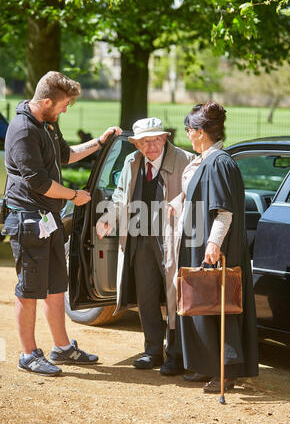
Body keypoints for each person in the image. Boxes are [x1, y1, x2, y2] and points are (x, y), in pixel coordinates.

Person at [2, 71, 122, 377]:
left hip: (48, 218)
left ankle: (62, 347)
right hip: (28, 219)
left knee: (56, 287)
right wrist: (75, 195)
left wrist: (99, 142)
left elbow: (65, 156)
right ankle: (28, 354)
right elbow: (40, 183)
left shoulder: (47, 122)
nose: (66, 109)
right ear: (46, 101)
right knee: (28, 290)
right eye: (64, 104)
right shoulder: (22, 130)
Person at [171, 102, 259, 392]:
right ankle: (206, 365)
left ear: (200, 132)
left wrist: (213, 243)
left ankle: (225, 371)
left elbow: (224, 211)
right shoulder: (207, 160)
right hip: (198, 244)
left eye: (188, 131)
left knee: (219, 305)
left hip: (215, 247)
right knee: (201, 305)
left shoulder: (219, 162)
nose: (187, 136)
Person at [96, 117, 195, 375]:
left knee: (175, 295)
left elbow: (194, 196)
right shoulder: (132, 161)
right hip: (139, 236)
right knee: (146, 296)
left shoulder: (185, 160)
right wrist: (108, 218)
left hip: (172, 238)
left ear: (164, 138)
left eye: (155, 140)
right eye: (145, 142)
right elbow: (120, 196)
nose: (151, 146)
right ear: (137, 144)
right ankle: (152, 351)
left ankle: (176, 354)